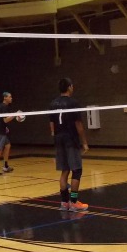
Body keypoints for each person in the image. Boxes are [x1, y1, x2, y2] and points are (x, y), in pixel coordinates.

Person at [49, 77, 89, 212]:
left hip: (59, 139)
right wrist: (84, 142)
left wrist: (56, 139)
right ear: (70, 87)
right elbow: (78, 124)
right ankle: (73, 201)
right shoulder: (73, 103)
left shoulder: (53, 104)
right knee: (77, 170)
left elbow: (52, 126)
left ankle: (64, 202)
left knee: (64, 171)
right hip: (70, 139)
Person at [0, 91, 17, 176]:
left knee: (7, 145)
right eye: (10, 97)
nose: (11, 98)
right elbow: (5, 120)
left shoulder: (2, 106)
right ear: (5, 98)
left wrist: (5, 127)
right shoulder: (4, 107)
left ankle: (5, 166)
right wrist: (16, 115)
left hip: (0, 129)